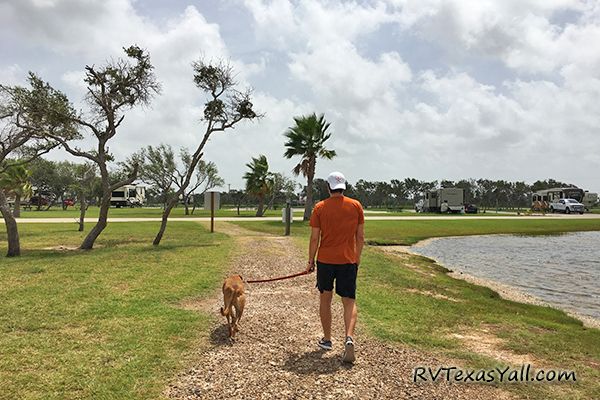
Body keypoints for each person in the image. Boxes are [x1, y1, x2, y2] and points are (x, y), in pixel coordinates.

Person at [306, 171, 365, 363]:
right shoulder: (356, 206)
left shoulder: (320, 207)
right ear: (343, 187)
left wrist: (310, 261)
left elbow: (315, 237)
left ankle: (327, 339)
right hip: (348, 260)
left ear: (328, 187)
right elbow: (360, 237)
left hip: (325, 260)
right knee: (349, 301)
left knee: (326, 299)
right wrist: (357, 258)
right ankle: (349, 337)